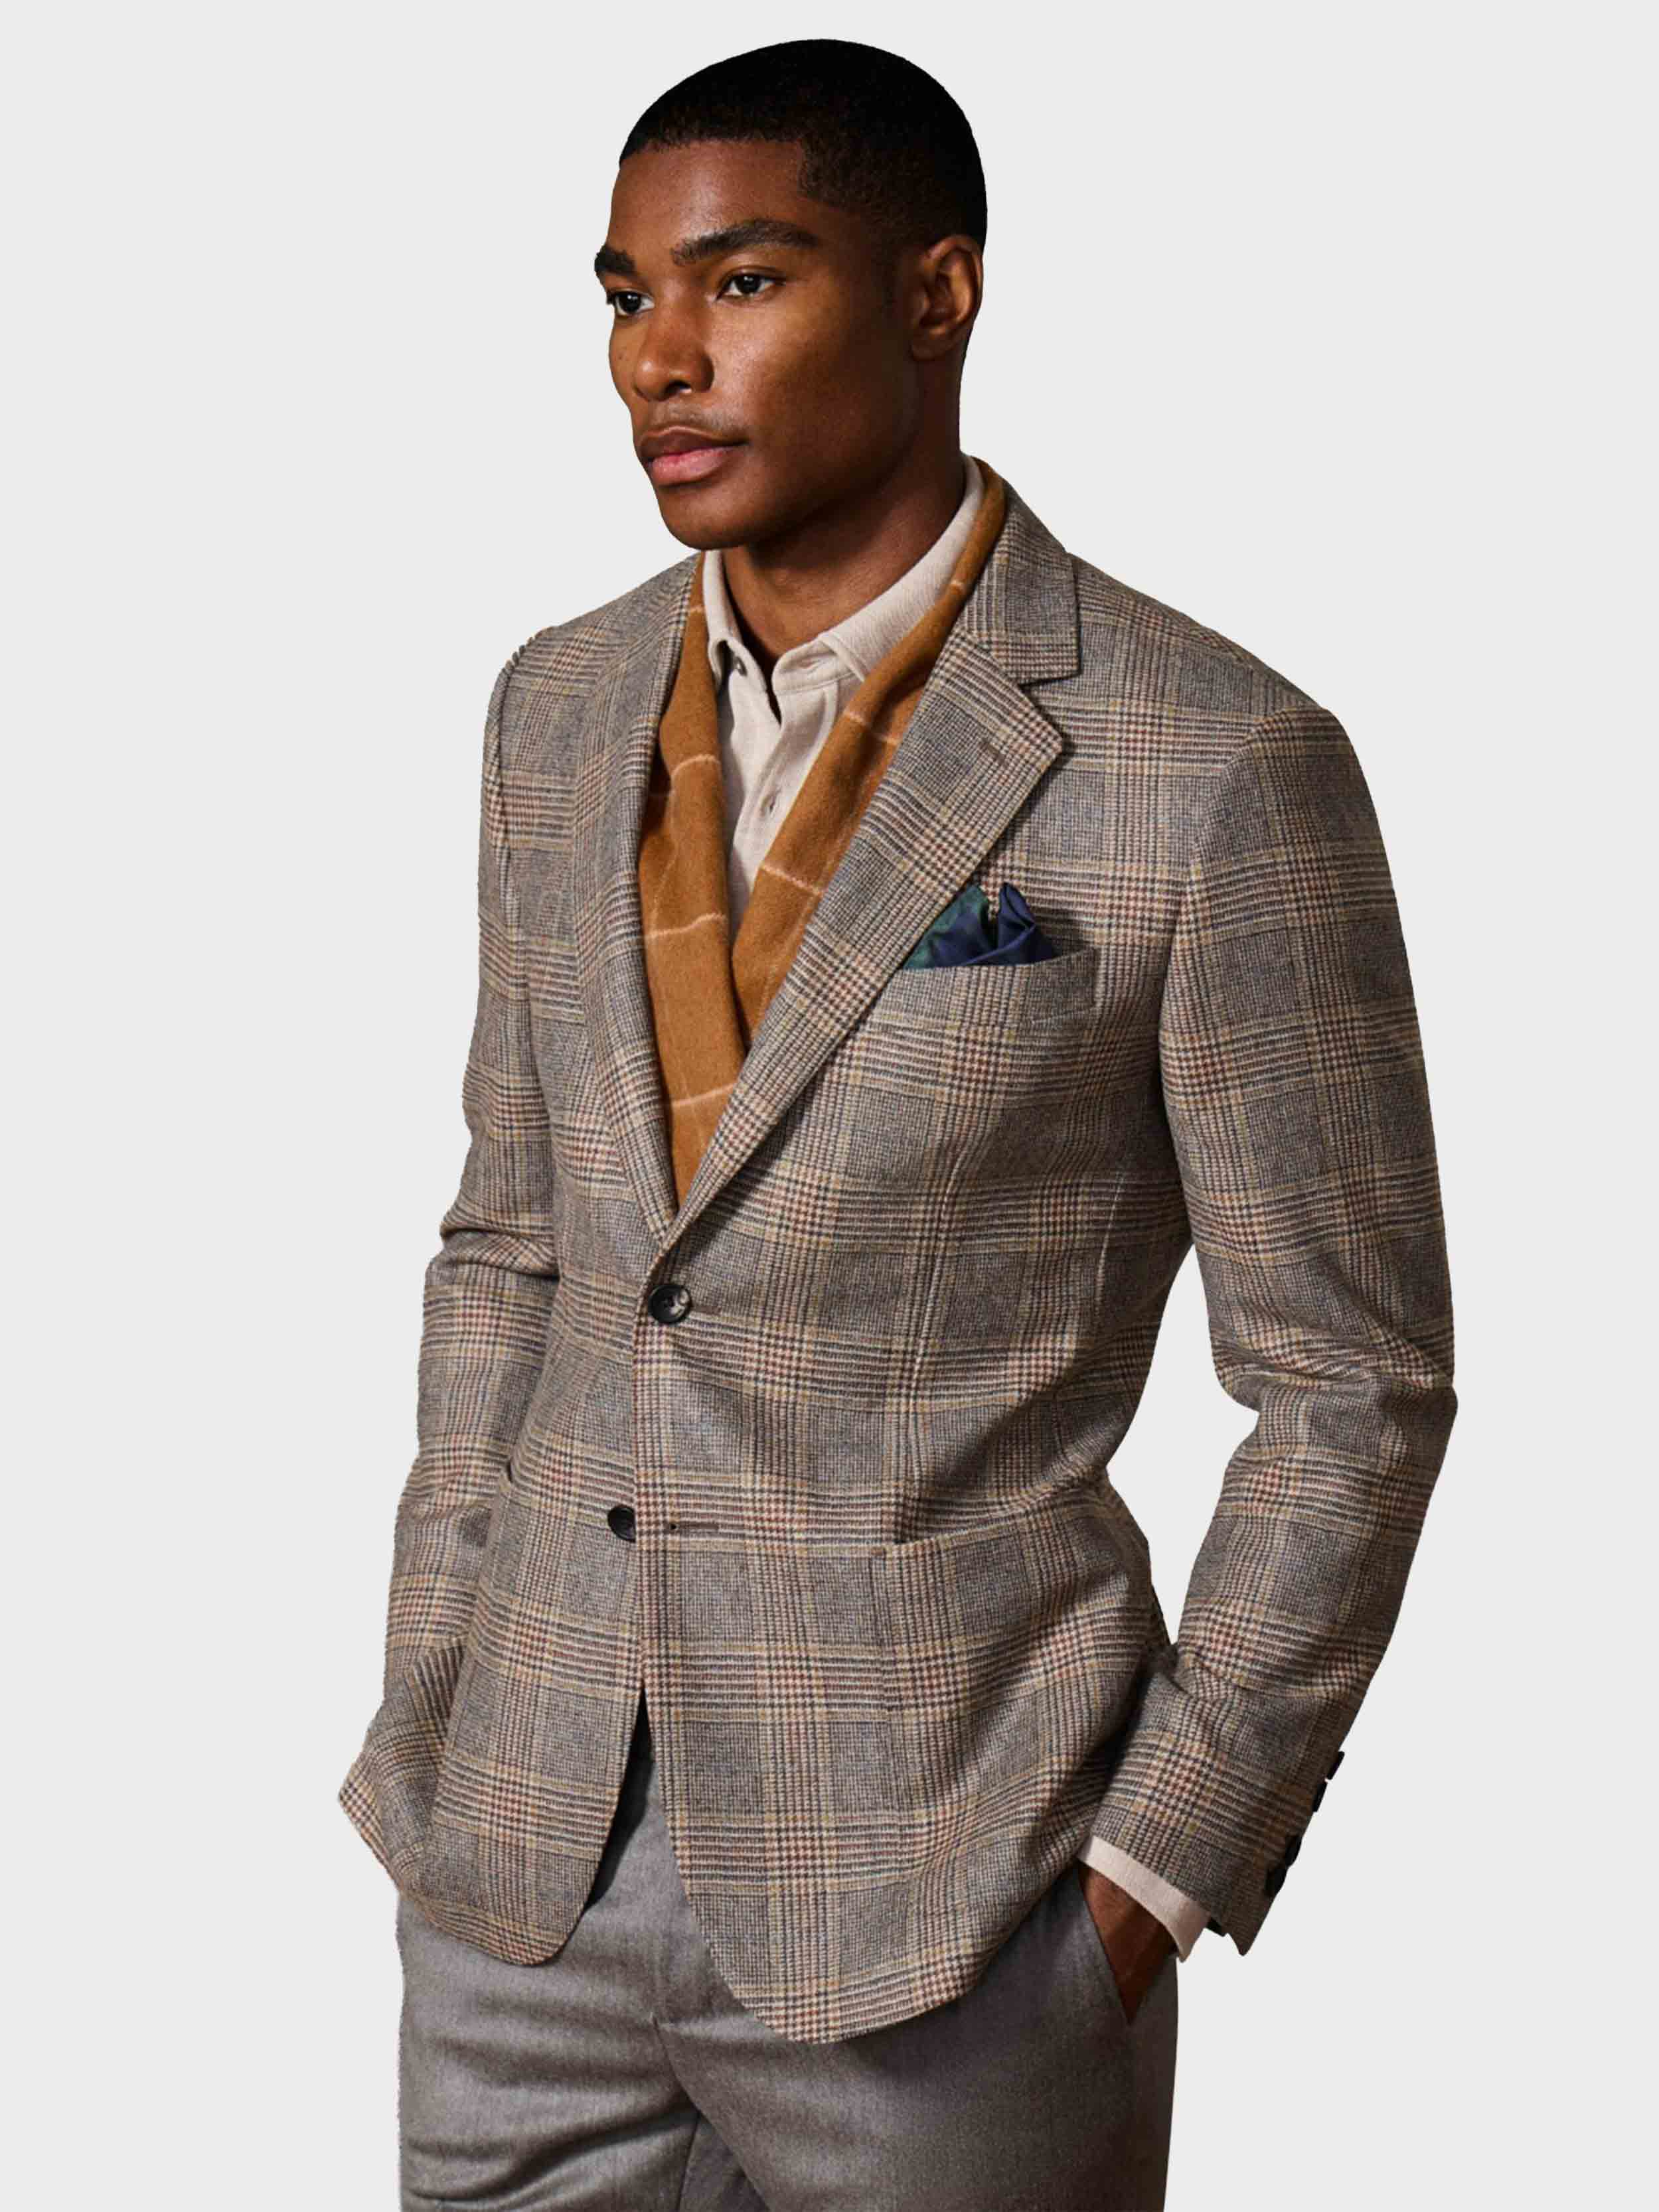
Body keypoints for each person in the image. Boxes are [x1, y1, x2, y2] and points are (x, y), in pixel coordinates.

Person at [338, 37, 1457, 2211]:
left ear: (937, 294)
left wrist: (1158, 1862)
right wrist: (437, 1684)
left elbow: (1351, 1383)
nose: (658, 358)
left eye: (741, 282)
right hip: (518, 1866)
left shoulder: (1206, 760)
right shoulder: (554, 704)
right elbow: (515, 1237)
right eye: (624, 295)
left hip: (957, 1894)